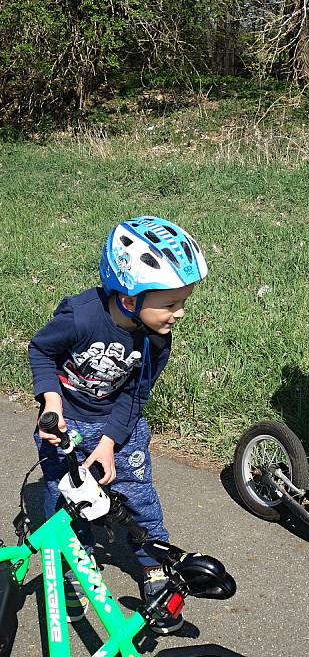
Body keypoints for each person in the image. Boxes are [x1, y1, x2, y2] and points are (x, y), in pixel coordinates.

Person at [29, 215, 208, 632]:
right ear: (129, 299)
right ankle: (74, 565)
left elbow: (135, 395)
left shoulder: (156, 339)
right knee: (67, 500)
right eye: (169, 303)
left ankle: (153, 564)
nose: (178, 314)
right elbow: (41, 351)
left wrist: (109, 443)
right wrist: (50, 402)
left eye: (183, 301)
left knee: (138, 496)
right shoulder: (79, 317)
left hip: (118, 428)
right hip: (68, 424)